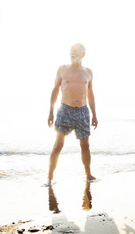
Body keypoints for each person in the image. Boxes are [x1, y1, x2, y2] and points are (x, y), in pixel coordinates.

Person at [47, 43, 98, 186]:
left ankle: (88, 174)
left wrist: (94, 114)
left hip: (82, 110)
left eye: (75, 51)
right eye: (71, 51)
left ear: (83, 54)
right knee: (58, 144)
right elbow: (55, 90)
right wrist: (51, 112)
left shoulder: (88, 72)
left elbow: (90, 94)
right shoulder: (63, 69)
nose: (72, 53)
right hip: (65, 109)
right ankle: (49, 178)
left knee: (85, 145)